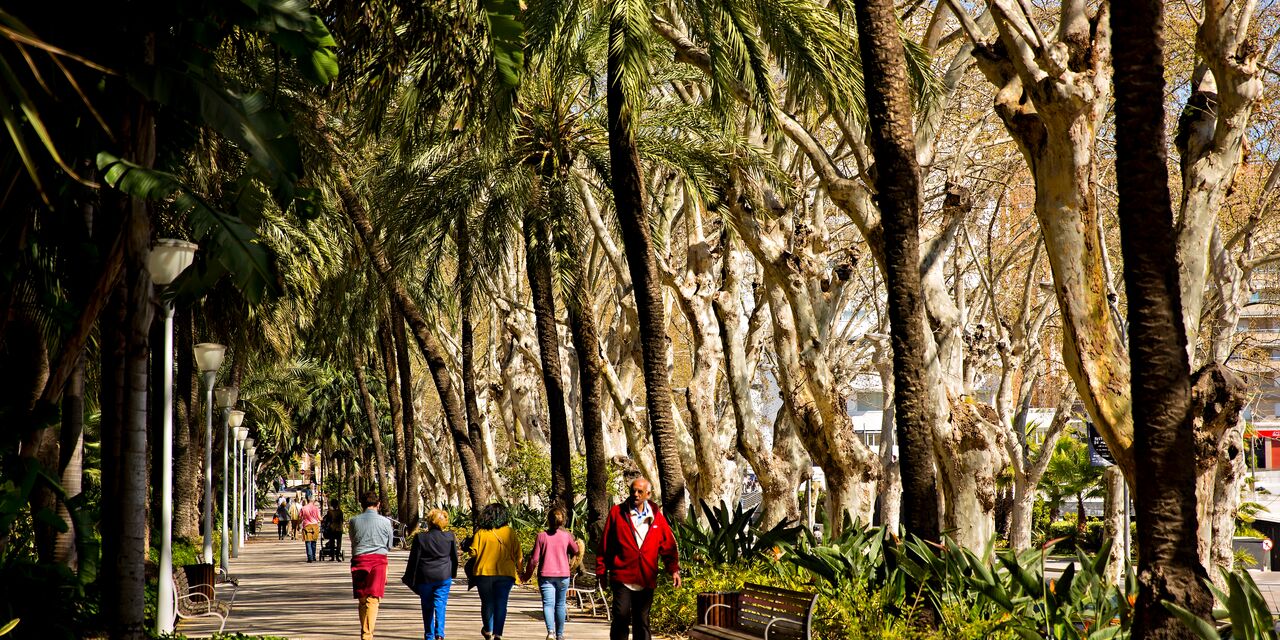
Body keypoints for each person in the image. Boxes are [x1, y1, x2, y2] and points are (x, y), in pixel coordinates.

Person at [597, 478, 681, 640]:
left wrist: (673, 569)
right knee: (621, 617)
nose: (635, 494)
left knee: (642, 621)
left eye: (640, 491)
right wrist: (601, 571)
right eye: (633, 491)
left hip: (646, 576)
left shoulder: (656, 516)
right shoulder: (617, 513)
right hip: (622, 575)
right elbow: (606, 544)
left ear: (648, 494)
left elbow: (667, 545)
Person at [467, 503, 522, 640]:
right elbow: (518, 555)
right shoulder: (510, 532)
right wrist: (521, 572)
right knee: (501, 603)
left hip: (483, 573)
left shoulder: (480, 533)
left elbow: (473, 553)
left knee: (487, 603)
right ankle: (498, 633)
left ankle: (488, 630)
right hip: (506, 574)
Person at [523, 505, 579, 640]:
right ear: (562, 521)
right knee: (560, 604)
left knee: (548, 604)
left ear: (548, 520)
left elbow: (534, 559)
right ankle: (560, 635)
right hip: (563, 575)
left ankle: (551, 632)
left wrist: (527, 575)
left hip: (546, 575)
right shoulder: (566, 536)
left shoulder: (541, 536)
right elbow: (576, 550)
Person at [403, 509, 458, 640]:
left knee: (427, 605)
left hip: (425, 577)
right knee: (440, 604)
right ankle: (440, 633)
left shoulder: (420, 537)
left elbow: (414, 560)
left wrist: (409, 578)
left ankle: (429, 635)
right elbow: (454, 558)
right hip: (444, 576)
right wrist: (453, 574)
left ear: (429, 521)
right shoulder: (450, 537)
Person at [350, 491, 394, 640]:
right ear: (378, 504)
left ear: (361, 504)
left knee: (363, 599)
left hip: (359, 559)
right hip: (379, 561)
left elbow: (353, 540)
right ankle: (367, 635)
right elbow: (390, 545)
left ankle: (365, 632)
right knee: (373, 599)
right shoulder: (385, 522)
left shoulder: (354, 521)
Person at [301, 497, 322, 562]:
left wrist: (298, 525)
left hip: (307, 526)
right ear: (313, 502)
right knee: (314, 542)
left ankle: (310, 558)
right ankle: (313, 557)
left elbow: (300, 517)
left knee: (308, 542)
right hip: (315, 525)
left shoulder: (303, 508)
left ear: (307, 501)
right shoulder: (316, 508)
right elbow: (319, 518)